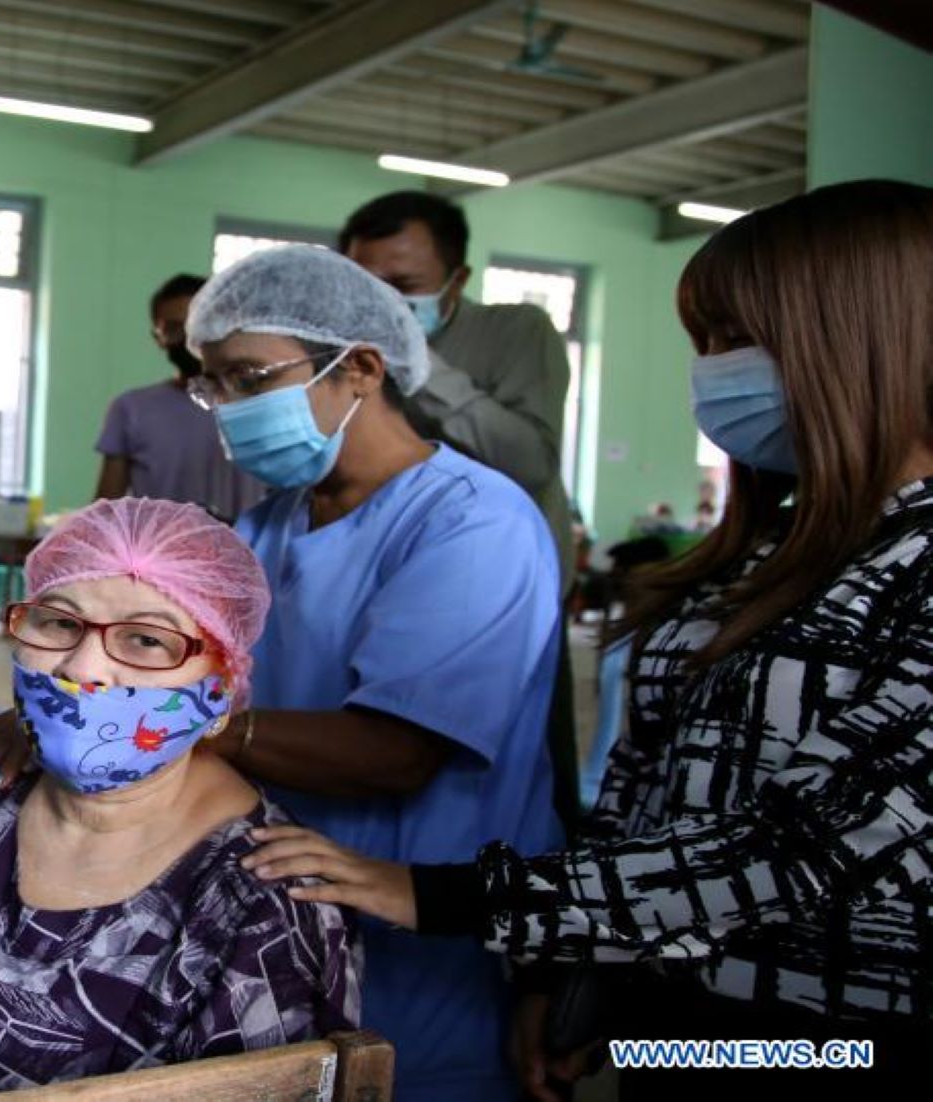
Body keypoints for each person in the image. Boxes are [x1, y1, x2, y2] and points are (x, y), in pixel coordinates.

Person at [242, 180, 933, 1098]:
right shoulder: (770, 555)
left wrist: (434, 895)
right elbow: (638, 795)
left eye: (738, 341)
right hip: (676, 1022)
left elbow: (814, 843)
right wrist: (566, 978)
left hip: (837, 1041)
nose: (714, 372)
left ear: (864, 342)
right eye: (708, 344)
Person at [0, 498, 359, 1097]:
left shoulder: (261, 905)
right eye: (59, 622)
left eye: (147, 639)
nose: (84, 667)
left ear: (222, 693)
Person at [187, 245, 562, 1102]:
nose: (229, 409)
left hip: (422, 923)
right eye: (212, 385)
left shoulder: (473, 523)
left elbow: (396, 752)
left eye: (249, 378)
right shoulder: (267, 524)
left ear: (357, 368)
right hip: (284, 906)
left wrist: (183, 723)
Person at [341, 191, 581, 830]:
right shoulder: (340, 354)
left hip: (504, 597)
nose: (382, 304)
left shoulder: (515, 332)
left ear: (457, 279)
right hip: (385, 587)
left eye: (403, 286)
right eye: (365, 288)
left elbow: (529, 460)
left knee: (520, 778)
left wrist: (419, 366)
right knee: (388, 765)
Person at [95, 274, 264, 521]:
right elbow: (105, 514)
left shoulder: (262, 403)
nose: (188, 341)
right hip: (159, 556)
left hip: (249, 554)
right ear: (158, 337)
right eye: (174, 329)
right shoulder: (131, 409)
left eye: (197, 327)